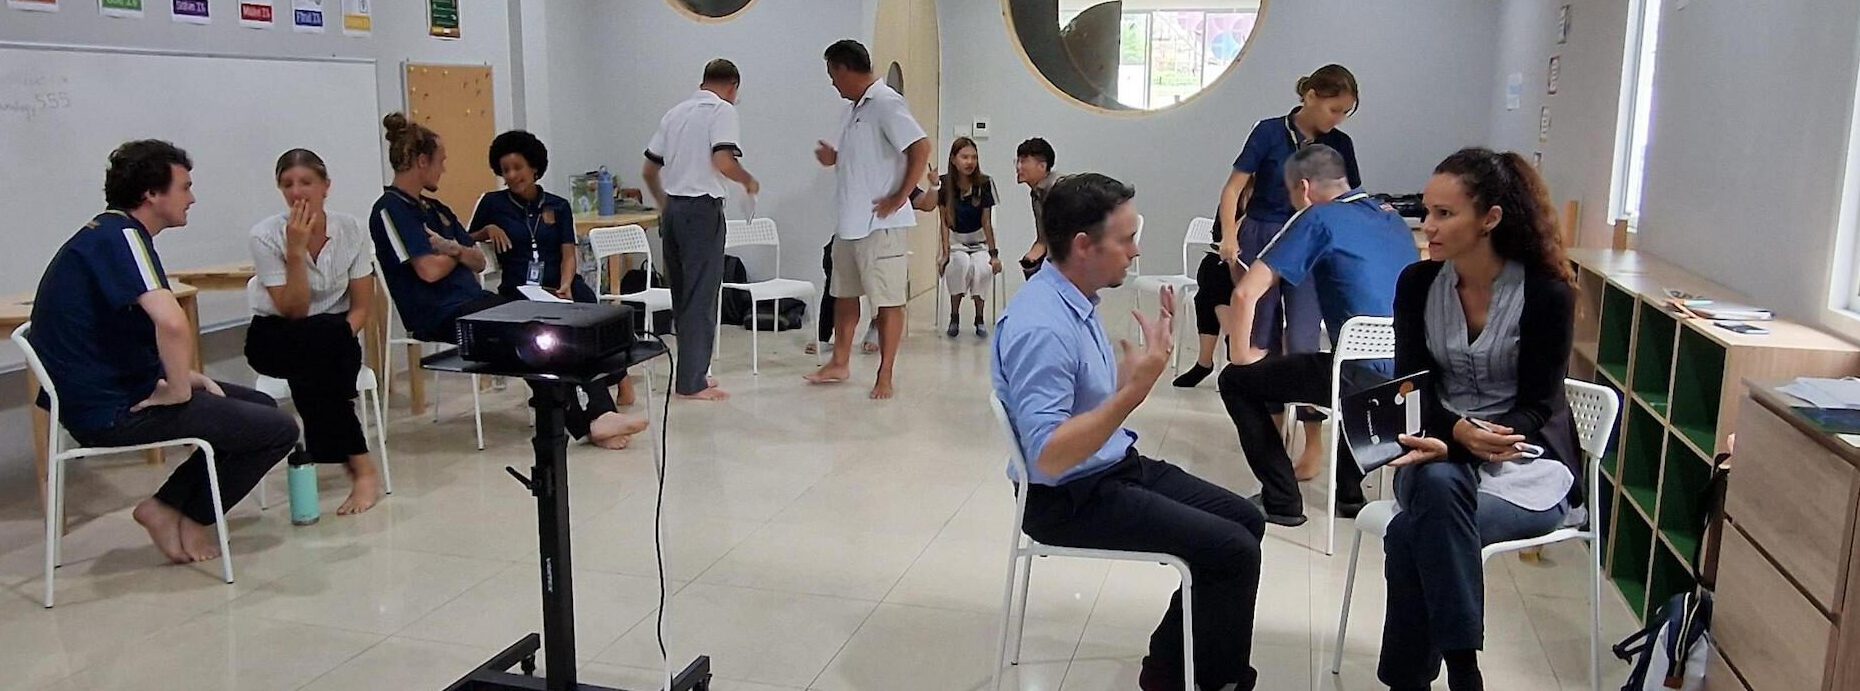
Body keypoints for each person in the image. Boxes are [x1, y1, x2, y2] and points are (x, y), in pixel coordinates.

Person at [994, 172, 1264, 691]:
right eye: (1126, 239)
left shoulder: (1074, 300)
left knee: (1245, 520)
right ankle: (1212, 681)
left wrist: (1129, 377)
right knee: (1233, 550)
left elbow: (1077, 404)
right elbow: (1047, 457)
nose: (1136, 251)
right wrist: (1132, 392)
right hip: (1068, 498)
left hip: (1110, 468)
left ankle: (1170, 670)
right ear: (1083, 245)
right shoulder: (1042, 325)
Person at [1375, 148, 1585, 691]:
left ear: (1490, 219)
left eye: (1445, 214)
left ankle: (1410, 680)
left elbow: (1539, 405)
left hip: (1524, 461)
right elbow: (1410, 388)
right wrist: (1454, 435)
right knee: (1438, 488)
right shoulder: (1417, 284)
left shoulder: (1546, 294)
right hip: (1434, 448)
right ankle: (1464, 672)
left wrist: (1473, 442)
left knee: (1411, 530)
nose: (1427, 226)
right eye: (1427, 211)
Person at [29, 140, 297, 564]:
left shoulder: (106, 234)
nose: (192, 198)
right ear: (152, 193)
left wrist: (179, 376)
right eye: (184, 187)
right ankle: (190, 516)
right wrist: (176, 390)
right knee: (279, 430)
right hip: (110, 411)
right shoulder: (124, 239)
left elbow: (112, 334)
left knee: (260, 407)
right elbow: (171, 322)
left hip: (108, 392)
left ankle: (166, 506)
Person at [369, 113, 647, 449]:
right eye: (440, 161)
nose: (443, 169)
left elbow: (477, 259)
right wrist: (458, 252)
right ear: (422, 161)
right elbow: (428, 270)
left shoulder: (436, 209)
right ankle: (591, 421)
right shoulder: (390, 210)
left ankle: (599, 414)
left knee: (560, 326)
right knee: (538, 335)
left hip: (474, 303)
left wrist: (453, 249)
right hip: (440, 313)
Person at [1214, 144, 1417, 526]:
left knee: (1235, 382)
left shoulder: (1318, 217)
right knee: (1345, 368)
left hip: (1359, 379)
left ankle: (1282, 501)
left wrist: (1241, 356)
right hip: (1409, 384)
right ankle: (1349, 494)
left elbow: (1245, 293)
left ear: (1304, 188)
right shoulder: (1392, 217)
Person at [1186, 65, 1364, 477]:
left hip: (1311, 237)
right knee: (1260, 339)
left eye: (1345, 112)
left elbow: (1350, 200)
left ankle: (1313, 441)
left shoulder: (1341, 144)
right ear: (1311, 96)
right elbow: (1233, 188)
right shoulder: (1269, 131)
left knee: (1303, 341)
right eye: (1334, 109)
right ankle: (1272, 436)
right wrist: (1229, 235)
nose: (1338, 119)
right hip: (1262, 235)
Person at [244, 148, 383, 516]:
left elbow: (362, 307)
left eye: (306, 182)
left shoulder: (352, 229)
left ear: (326, 187)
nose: (297, 192)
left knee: (317, 359)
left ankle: (357, 466)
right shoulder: (265, 236)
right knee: (317, 352)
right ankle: (361, 467)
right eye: (287, 184)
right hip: (276, 334)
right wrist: (295, 251)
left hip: (336, 333)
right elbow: (294, 310)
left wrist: (337, 338)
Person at [471, 131, 640, 406]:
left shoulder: (558, 205)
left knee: (593, 314)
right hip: (519, 290)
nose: (511, 175)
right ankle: (570, 398)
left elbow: (568, 253)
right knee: (549, 331)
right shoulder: (493, 203)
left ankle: (618, 378)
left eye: (517, 167)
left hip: (559, 282)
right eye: (505, 170)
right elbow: (466, 239)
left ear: (534, 168)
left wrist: (565, 284)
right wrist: (487, 230)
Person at [806, 39, 932, 400]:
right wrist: (835, 158)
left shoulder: (886, 102)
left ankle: (885, 373)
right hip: (850, 221)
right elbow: (866, 157)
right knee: (844, 294)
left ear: (844, 69)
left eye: (832, 74)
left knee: (888, 300)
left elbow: (920, 147)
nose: (832, 82)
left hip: (881, 224)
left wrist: (900, 195)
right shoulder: (853, 109)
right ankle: (839, 362)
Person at [641, 59, 758, 402]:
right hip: (702, 211)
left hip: (674, 211)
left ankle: (693, 372)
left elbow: (649, 169)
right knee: (702, 295)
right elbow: (723, 160)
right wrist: (748, 180)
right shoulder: (722, 111)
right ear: (733, 86)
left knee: (682, 295)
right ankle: (692, 381)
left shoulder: (675, 113)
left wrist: (664, 204)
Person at [807, 173, 938, 355]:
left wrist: (934, 186)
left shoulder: (895, 177)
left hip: (880, 238)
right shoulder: (855, 174)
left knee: (881, 288)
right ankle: (826, 337)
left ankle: (875, 330)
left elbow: (925, 203)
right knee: (836, 285)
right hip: (850, 235)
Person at [937, 136, 1000, 338]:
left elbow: (987, 222)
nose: (970, 162)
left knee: (983, 268)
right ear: (953, 159)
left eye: (974, 157)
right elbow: (943, 222)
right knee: (959, 264)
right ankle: (954, 315)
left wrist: (994, 255)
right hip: (956, 242)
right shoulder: (944, 183)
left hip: (980, 242)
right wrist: (945, 253)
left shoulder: (985, 183)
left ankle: (979, 317)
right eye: (964, 157)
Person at [1013, 137, 1057, 280]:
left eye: (1024, 162)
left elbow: (1065, 238)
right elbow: (1043, 238)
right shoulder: (1037, 193)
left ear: (1042, 166)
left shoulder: (1057, 189)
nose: (1018, 167)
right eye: (1017, 161)